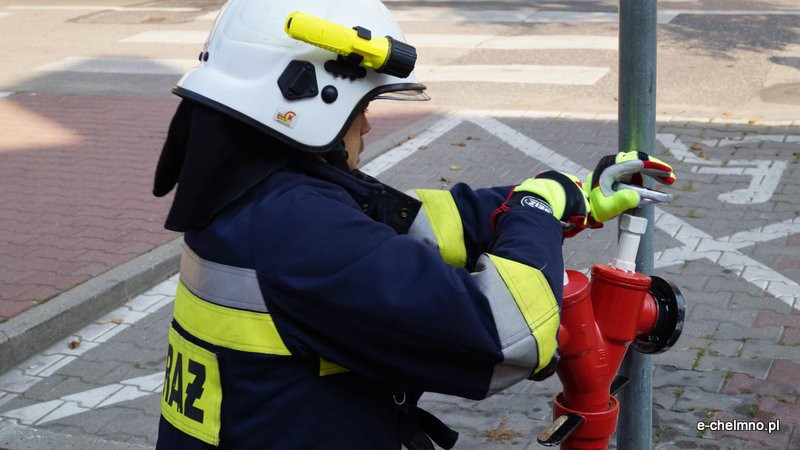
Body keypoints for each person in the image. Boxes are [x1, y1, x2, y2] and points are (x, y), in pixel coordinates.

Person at [152, 1, 676, 449]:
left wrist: (572, 197)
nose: (366, 125)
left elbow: (410, 226)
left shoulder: (251, 192)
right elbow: (506, 335)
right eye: (363, 105)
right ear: (310, 95)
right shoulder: (298, 233)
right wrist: (534, 212)